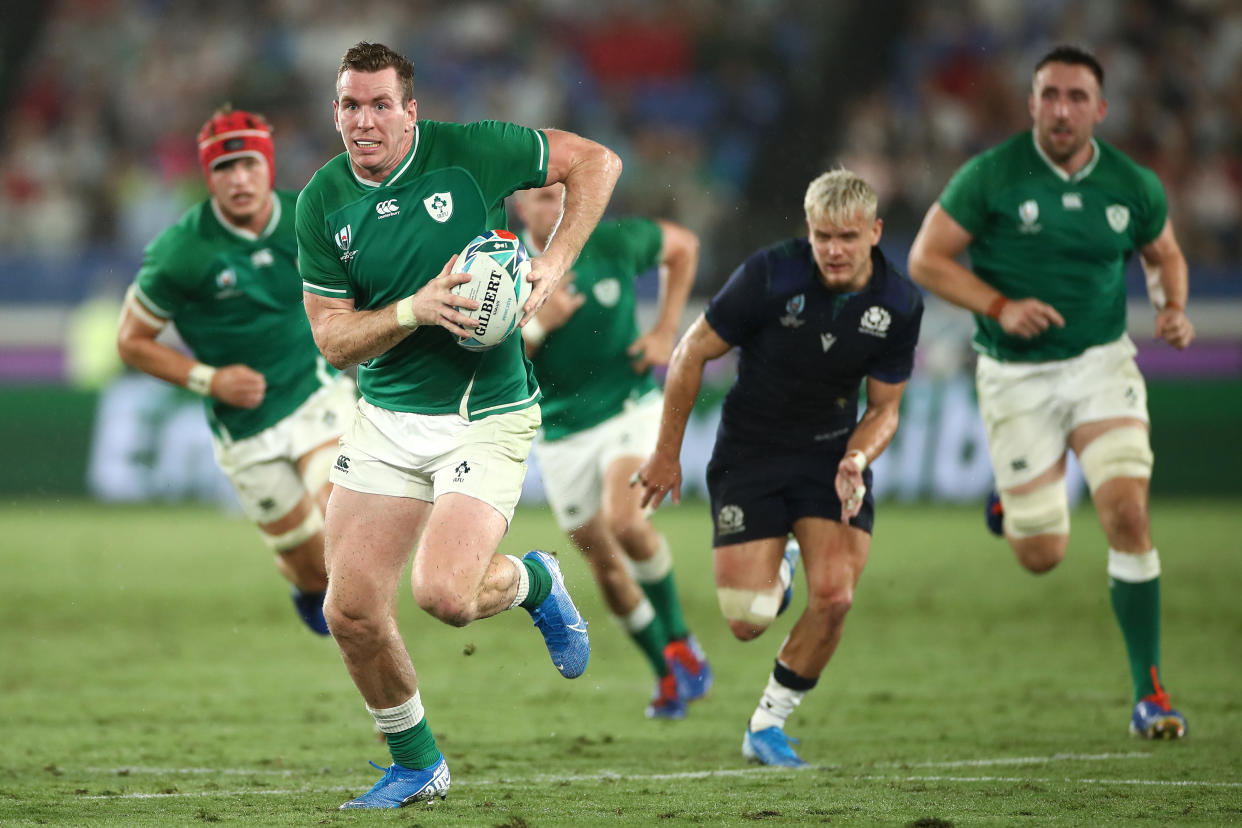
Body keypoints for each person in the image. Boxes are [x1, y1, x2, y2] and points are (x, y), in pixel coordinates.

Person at [296, 42, 621, 808]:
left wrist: (556, 261)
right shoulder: (321, 202)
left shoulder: (472, 150)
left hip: (486, 414)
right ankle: (417, 764)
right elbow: (331, 339)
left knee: (445, 595)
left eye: (380, 104)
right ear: (334, 110)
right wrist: (416, 310)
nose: (363, 120)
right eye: (349, 105)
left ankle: (537, 579)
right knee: (348, 610)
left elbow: (597, 163)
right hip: (387, 417)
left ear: (412, 110)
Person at [907, 45, 1193, 740]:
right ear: (1032, 104)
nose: (1062, 109)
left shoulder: (1132, 184)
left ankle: (1149, 692)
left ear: (1100, 108)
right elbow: (925, 260)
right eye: (1050, 95)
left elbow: (1165, 254)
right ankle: (1015, 501)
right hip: (1015, 374)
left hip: (1100, 365)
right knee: (1041, 555)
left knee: (1127, 513)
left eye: (1076, 96)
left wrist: (1172, 306)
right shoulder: (991, 176)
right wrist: (1001, 306)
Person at [636, 169, 923, 766]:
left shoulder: (898, 302)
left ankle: (767, 724)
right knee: (747, 620)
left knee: (835, 598)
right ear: (809, 232)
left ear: (874, 231)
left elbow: (886, 408)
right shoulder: (769, 274)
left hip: (829, 455)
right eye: (823, 237)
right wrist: (667, 454)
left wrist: (858, 456)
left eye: (847, 236)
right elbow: (691, 352)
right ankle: (784, 567)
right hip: (751, 453)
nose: (834, 250)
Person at [117, 105, 355, 637]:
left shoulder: (309, 219)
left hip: (314, 396)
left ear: (269, 165)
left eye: (249, 163)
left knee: (346, 529)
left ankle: (383, 668)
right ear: (209, 177)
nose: (239, 178)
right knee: (314, 569)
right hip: (244, 427)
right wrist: (210, 379)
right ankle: (303, 583)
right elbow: (130, 342)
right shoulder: (183, 250)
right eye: (224, 169)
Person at [513, 183, 710, 720]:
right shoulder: (503, 264)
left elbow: (684, 246)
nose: (555, 209)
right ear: (521, 205)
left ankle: (678, 639)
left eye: (563, 198)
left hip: (629, 409)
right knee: (606, 570)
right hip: (558, 433)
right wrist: (536, 328)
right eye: (543, 199)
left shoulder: (613, 241)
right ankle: (666, 674)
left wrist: (666, 328)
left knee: (626, 522)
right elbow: (486, 359)